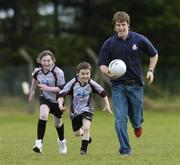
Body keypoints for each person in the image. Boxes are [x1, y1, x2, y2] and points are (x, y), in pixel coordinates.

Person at [98, 11, 158, 155]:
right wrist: (108, 72)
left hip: (136, 85)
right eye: (118, 25)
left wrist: (150, 71)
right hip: (118, 86)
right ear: (115, 26)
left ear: (128, 25)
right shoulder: (109, 43)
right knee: (120, 118)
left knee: (136, 117)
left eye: (123, 24)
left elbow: (154, 54)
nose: (121, 27)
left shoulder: (139, 39)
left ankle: (137, 125)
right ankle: (125, 150)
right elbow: (102, 65)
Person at [57, 62, 112, 155]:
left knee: (86, 128)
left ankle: (83, 150)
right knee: (77, 133)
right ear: (77, 73)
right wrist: (60, 105)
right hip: (75, 112)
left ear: (90, 74)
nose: (85, 76)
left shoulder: (91, 83)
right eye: (83, 74)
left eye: (87, 74)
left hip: (87, 109)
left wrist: (107, 105)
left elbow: (103, 93)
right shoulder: (73, 82)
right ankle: (84, 135)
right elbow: (61, 94)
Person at [28, 50, 67, 154]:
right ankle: (39, 143)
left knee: (58, 124)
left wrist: (47, 88)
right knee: (43, 115)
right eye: (44, 60)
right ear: (40, 61)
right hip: (44, 98)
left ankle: (62, 142)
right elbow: (34, 79)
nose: (46, 63)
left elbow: (62, 89)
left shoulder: (58, 72)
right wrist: (32, 91)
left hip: (57, 100)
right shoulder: (37, 71)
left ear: (53, 61)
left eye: (48, 60)